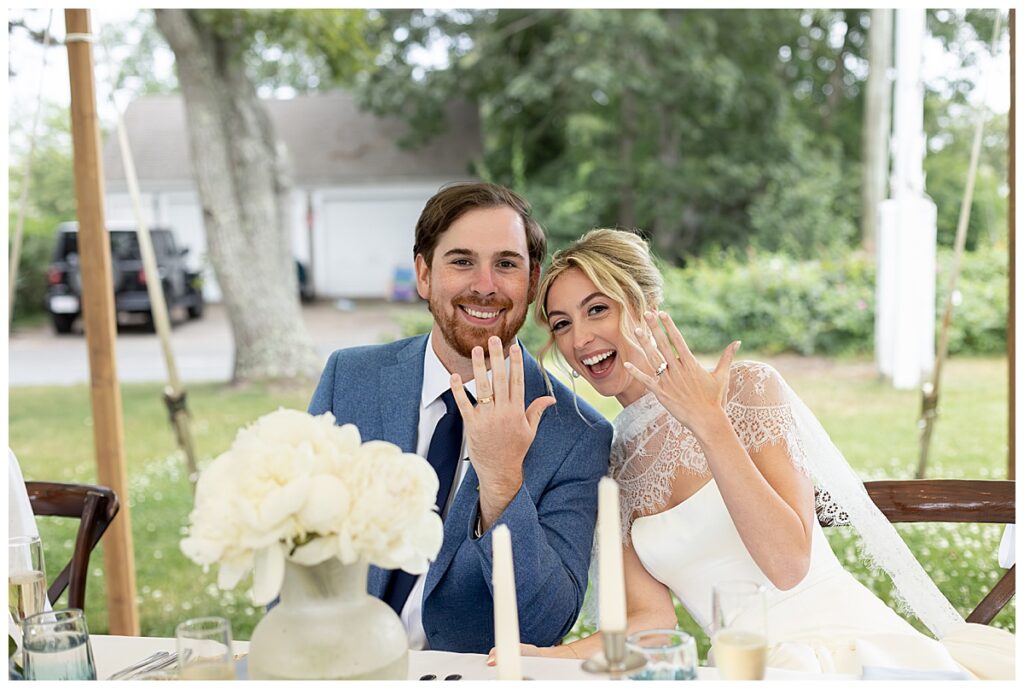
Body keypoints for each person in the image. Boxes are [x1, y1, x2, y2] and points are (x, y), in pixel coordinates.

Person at [502, 228, 1013, 679]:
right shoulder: (613, 465)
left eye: (597, 309)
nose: (581, 338)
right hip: (743, 669)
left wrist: (710, 425)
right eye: (562, 323)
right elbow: (649, 623)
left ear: (644, 305)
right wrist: (544, 657)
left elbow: (789, 563)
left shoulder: (748, 389)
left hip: (844, 652)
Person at [307, 183, 612, 654]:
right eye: (462, 261)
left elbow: (545, 624)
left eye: (506, 264)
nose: (485, 285)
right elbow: (293, 552)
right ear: (424, 275)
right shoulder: (349, 379)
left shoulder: (577, 434)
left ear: (532, 285)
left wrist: (502, 483)